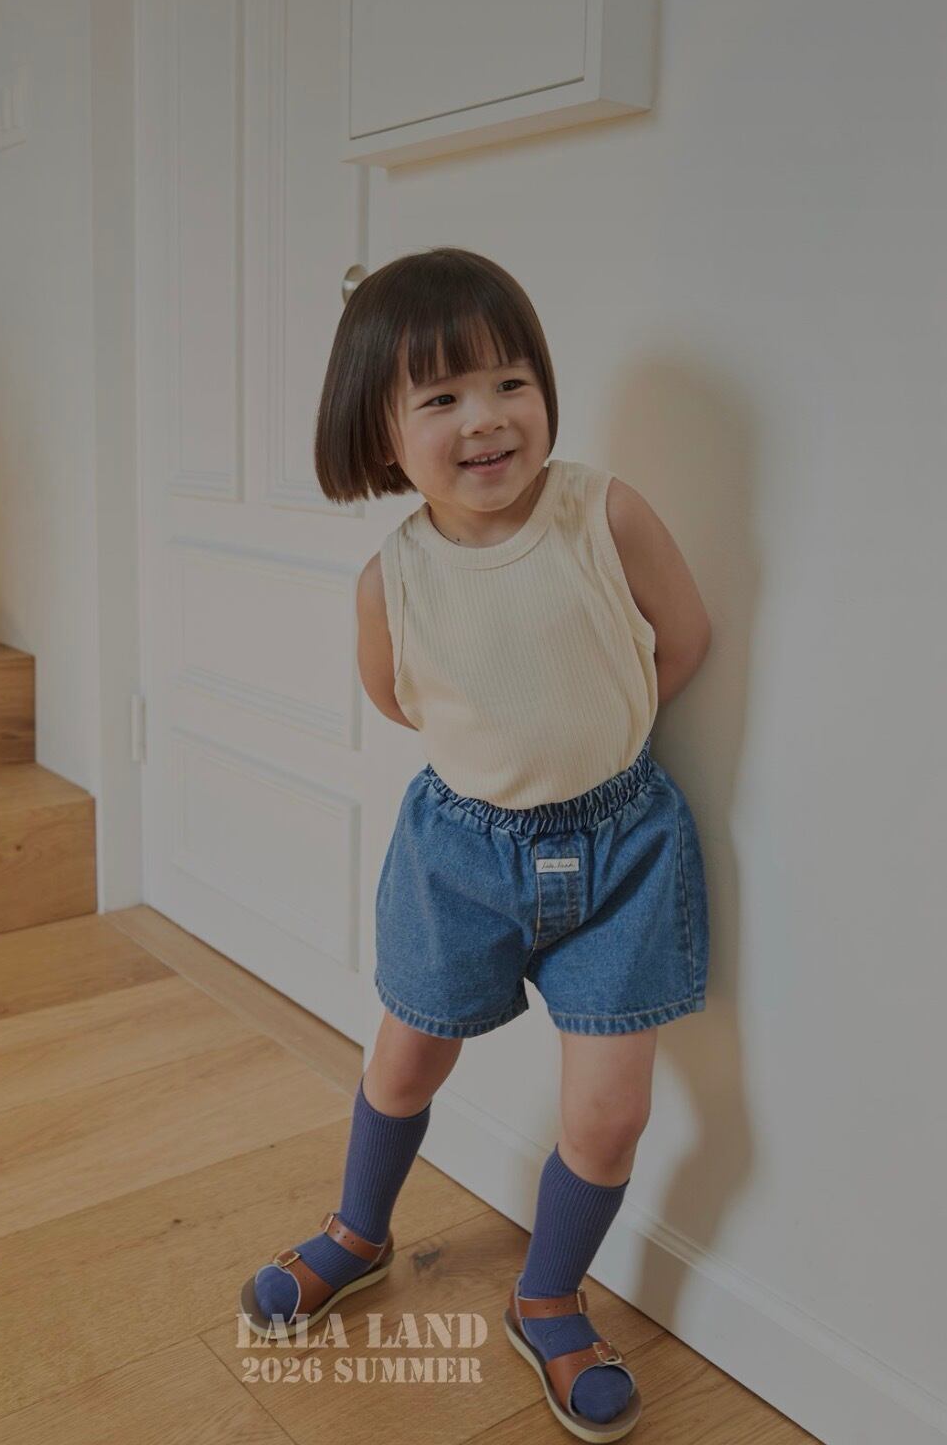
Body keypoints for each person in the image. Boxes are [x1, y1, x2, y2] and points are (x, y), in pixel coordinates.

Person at [239, 246, 712, 1439]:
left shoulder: (600, 512)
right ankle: (357, 1228)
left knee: (607, 1113)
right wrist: (506, 768)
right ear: (380, 431)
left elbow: (683, 637)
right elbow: (400, 699)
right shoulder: (388, 579)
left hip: (622, 854)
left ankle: (547, 1294)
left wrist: (590, 741)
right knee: (405, 1058)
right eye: (441, 396)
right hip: (459, 854)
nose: (486, 417)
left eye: (509, 380)